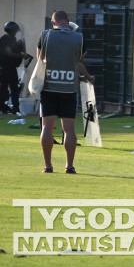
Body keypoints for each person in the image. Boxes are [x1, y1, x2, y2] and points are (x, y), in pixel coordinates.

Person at [38, 10, 94, 174]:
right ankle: (69, 166)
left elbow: (41, 60)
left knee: (47, 128)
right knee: (69, 129)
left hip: (49, 86)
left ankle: (48, 166)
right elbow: (78, 62)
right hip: (69, 88)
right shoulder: (79, 38)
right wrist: (87, 76)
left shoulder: (45, 35)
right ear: (67, 21)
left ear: (53, 22)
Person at [1, 21, 30, 113]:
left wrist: (20, 46)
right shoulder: (5, 39)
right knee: (4, 90)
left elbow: (16, 50)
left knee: (14, 90)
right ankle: (2, 108)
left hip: (12, 68)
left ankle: (15, 109)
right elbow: (8, 52)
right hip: (4, 68)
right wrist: (22, 56)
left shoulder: (13, 39)